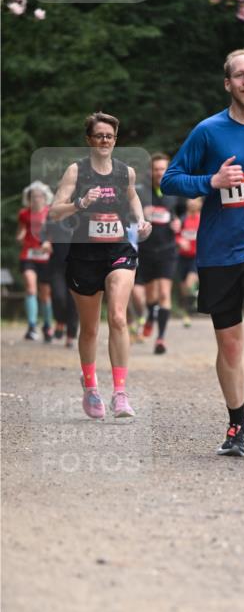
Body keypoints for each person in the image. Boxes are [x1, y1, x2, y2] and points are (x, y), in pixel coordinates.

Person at [161, 48, 244, 457]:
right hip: (218, 252)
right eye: (239, 75)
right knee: (231, 346)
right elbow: (170, 181)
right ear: (228, 84)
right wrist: (212, 180)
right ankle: (236, 422)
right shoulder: (208, 131)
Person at [49, 111, 151, 420]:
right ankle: (91, 386)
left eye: (109, 136)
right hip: (84, 255)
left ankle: (120, 393)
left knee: (118, 317)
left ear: (115, 140)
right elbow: (55, 212)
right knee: (90, 328)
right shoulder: (76, 172)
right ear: (89, 139)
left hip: (119, 251)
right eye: (99, 135)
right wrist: (80, 203)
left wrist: (141, 219)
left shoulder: (125, 172)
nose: (104, 140)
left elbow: (132, 198)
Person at [135, 153, 183, 353]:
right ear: (150, 171)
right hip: (146, 250)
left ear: (168, 169)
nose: (159, 172)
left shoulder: (175, 191)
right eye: (155, 169)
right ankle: (150, 316)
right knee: (150, 296)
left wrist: (179, 222)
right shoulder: (141, 191)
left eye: (162, 168)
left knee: (164, 293)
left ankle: (160, 339)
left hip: (167, 250)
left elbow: (182, 213)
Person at [16, 181, 54, 341]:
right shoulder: (24, 214)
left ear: (45, 198)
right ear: (29, 198)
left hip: (45, 257)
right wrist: (20, 236)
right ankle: (32, 326)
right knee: (31, 289)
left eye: (39, 196)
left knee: (45, 295)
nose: (36, 199)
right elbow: (21, 231)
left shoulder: (51, 213)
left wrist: (48, 242)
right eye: (33, 196)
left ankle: (47, 325)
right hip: (28, 255)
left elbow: (56, 233)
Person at [44, 214, 79, 348]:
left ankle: (70, 335)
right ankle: (60, 321)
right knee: (58, 297)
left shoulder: (83, 212)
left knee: (73, 301)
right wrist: (46, 242)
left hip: (77, 265)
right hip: (57, 265)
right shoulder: (53, 215)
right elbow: (45, 234)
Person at [176, 196, 202, 327]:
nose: (192, 202)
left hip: (197, 257)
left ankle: (198, 294)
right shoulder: (182, 219)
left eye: (195, 200)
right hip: (182, 257)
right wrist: (179, 240)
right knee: (183, 289)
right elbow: (176, 234)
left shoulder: (203, 218)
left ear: (199, 203)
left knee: (189, 282)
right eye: (190, 200)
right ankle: (186, 314)